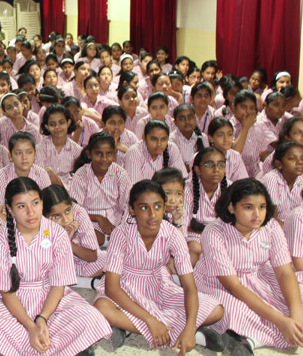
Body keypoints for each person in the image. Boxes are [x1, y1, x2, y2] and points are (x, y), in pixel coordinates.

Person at [0, 177, 112, 356]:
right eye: (21, 206)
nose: (31, 212)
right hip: (12, 304)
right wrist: (30, 326)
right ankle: (57, 347)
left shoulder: (57, 234)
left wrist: (42, 319)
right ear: (9, 209)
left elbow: (58, 285)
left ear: (42, 203)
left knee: (90, 317)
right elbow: (7, 292)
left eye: (35, 203)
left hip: (51, 299)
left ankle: (23, 347)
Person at [94, 180, 224, 353]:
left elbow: (189, 286)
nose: (152, 214)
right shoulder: (121, 234)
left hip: (159, 285)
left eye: (157, 206)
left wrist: (190, 327)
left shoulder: (173, 234)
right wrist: (150, 319)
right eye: (143, 208)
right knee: (102, 308)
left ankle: (132, 328)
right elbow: (112, 288)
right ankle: (187, 333)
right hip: (125, 285)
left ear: (164, 208)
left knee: (216, 310)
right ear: (132, 209)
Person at [194, 178, 303, 354]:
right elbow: (234, 286)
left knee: (295, 297)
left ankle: (244, 339)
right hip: (220, 284)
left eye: (262, 207)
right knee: (238, 311)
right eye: (248, 207)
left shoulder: (271, 226)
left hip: (259, 277)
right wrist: (280, 320)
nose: (257, 214)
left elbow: (284, 271)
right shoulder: (214, 232)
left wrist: (296, 314)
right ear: (232, 207)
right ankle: (244, 338)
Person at [42, 184, 105, 284]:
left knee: (108, 259)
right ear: (47, 216)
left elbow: (92, 257)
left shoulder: (79, 213)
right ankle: (81, 281)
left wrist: (68, 241)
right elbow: (46, 256)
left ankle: (72, 279)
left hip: (81, 259)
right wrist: (57, 234)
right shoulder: (42, 221)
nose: (65, 219)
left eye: (68, 211)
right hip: (57, 262)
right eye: (57, 216)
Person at [184, 147, 228, 266]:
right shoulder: (186, 189)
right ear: (198, 170)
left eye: (221, 165)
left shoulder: (230, 188)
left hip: (221, 238)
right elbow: (184, 226)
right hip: (195, 238)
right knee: (194, 249)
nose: (216, 169)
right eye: (209, 165)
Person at [123, 120, 187, 184]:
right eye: (154, 139)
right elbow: (134, 186)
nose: (159, 144)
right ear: (144, 138)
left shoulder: (171, 148)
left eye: (163, 139)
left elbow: (181, 180)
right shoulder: (134, 152)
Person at [36, 104, 81, 187]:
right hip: (47, 189)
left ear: (68, 123)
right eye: (52, 124)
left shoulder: (76, 150)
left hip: (71, 189)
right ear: (47, 127)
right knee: (48, 172)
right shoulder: (40, 148)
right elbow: (39, 176)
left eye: (61, 122)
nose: (57, 127)